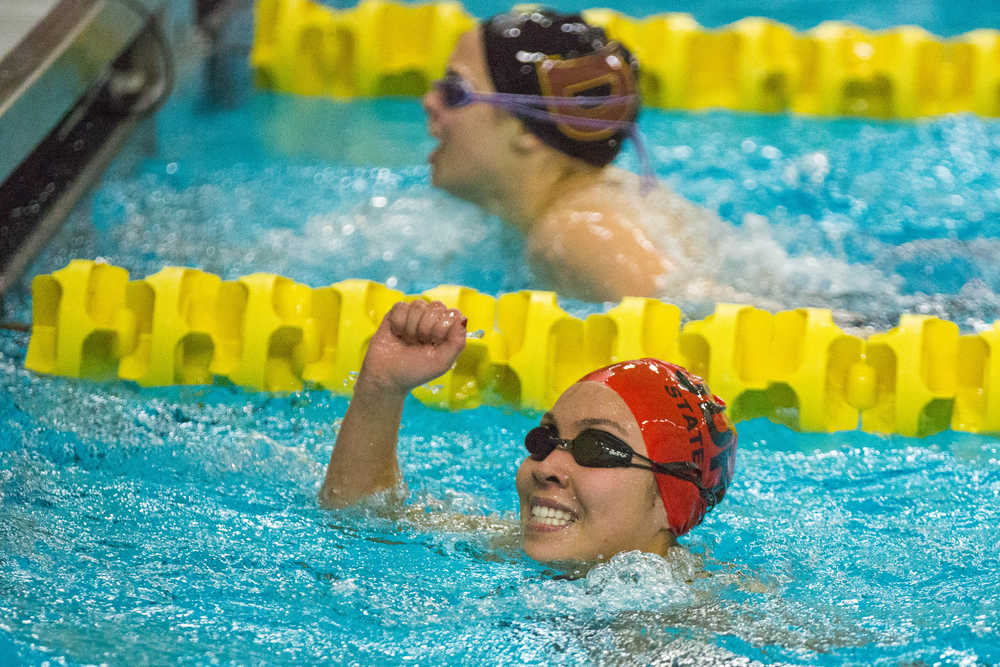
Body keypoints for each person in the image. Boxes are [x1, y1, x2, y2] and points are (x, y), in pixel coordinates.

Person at [319, 299, 737, 566]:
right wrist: (382, 388)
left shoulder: (695, 622)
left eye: (597, 447)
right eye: (545, 440)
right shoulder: (505, 545)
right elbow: (361, 517)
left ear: (671, 504)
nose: (548, 466)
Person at [421, 7, 698, 303]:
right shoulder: (598, 197)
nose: (428, 101)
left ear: (526, 130)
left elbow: (693, 312)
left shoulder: (576, 231)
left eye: (454, 92)